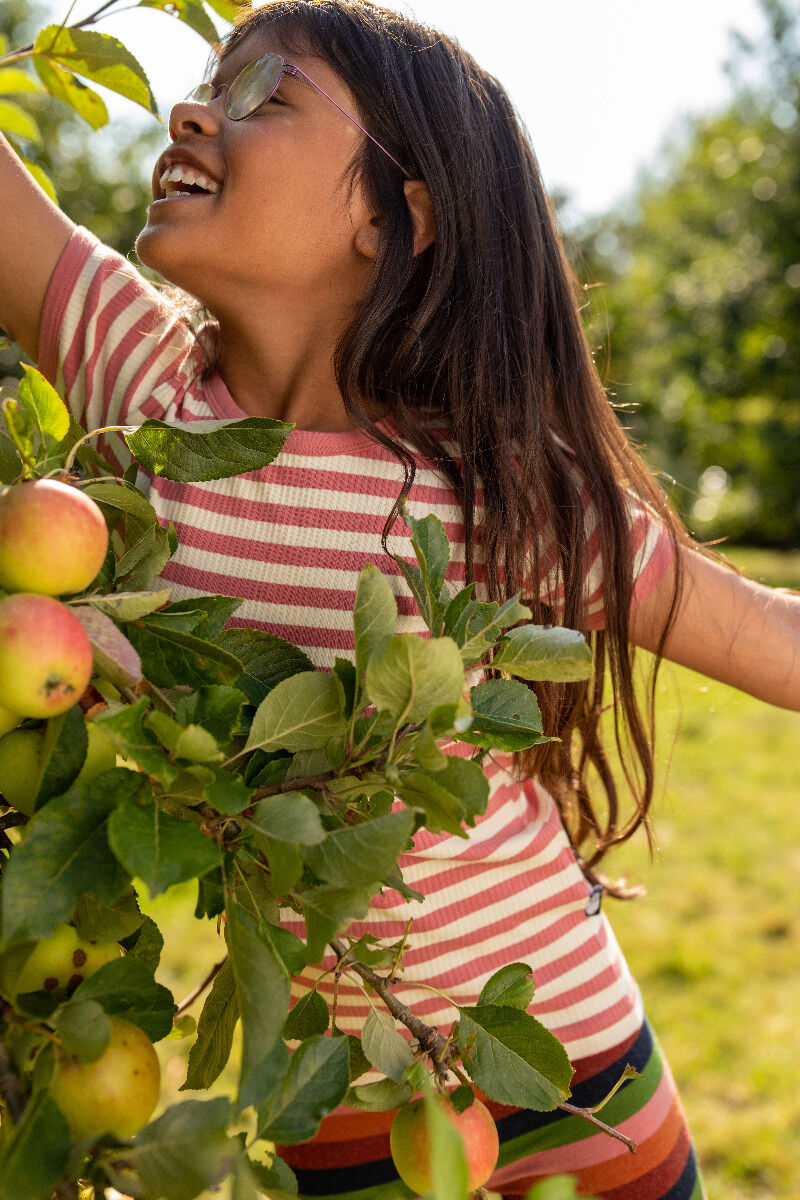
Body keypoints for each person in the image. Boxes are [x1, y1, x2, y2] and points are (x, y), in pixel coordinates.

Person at [0, 2, 797, 1196]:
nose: (189, 111)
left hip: (573, 1083)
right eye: (212, 83)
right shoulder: (144, 387)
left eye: (266, 97)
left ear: (393, 213)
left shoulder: (501, 493)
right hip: (342, 1105)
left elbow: (773, 643)